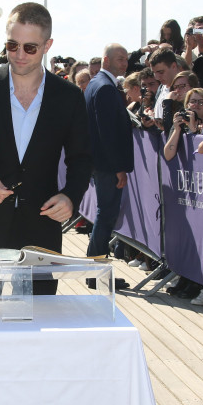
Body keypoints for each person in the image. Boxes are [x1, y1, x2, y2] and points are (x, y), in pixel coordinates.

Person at [0, 1, 91, 295]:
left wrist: (70, 196)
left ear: (47, 45)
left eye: (30, 48)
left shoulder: (69, 97)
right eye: (12, 45)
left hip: (41, 224)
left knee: (37, 319)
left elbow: (82, 158)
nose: (19, 55)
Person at [84, 43, 134, 273]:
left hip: (101, 163)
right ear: (106, 60)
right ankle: (96, 272)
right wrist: (118, 168)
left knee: (105, 215)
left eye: (126, 58)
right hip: (107, 165)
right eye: (120, 58)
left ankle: (95, 270)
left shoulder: (97, 84)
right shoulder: (104, 87)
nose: (124, 63)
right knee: (106, 216)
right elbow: (107, 133)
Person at [162, 87, 203, 161]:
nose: (196, 105)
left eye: (201, 102)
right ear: (187, 104)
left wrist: (194, 130)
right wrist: (177, 130)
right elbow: (168, 156)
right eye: (193, 101)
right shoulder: (181, 122)